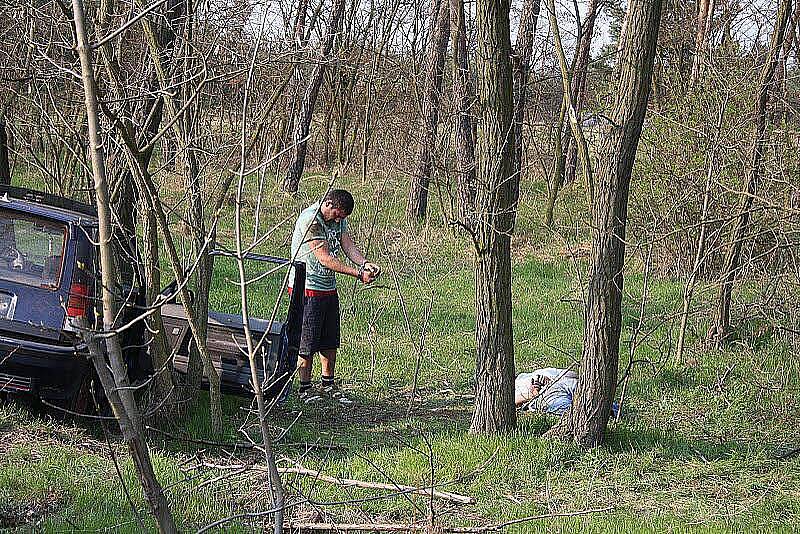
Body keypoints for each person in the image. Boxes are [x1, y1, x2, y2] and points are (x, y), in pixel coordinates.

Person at [288, 189, 380, 404]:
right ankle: (304, 389)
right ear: (328, 204)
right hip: (307, 288)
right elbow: (324, 259)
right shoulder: (311, 220)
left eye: (342, 217)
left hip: (327, 286)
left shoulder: (338, 220)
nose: (339, 220)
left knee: (329, 339)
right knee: (307, 341)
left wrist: (364, 263)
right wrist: (358, 274)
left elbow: (347, 244)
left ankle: (327, 385)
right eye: (337, 215)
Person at [515, 367, 620, 417]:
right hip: (543, 394)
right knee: (568, 410)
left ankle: (609, 409)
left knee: (589, 393)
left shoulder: (538, 372)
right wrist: (533, 393)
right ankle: (606, 412)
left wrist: (551, 379)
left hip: (561, 382)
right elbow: (513, 403)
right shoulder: (513, 389)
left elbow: (573, 374)